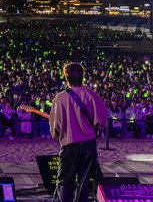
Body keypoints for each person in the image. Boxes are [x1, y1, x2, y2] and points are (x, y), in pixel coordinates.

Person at [49, 63, 108, 202]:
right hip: (88, 143)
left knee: (65, 179)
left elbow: (55, 127)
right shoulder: (92, 95)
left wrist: (59, 133)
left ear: (66, 77)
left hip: (69, 144)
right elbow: (101, 118)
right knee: (84, 180)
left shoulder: (60, 98)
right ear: (82, 76)